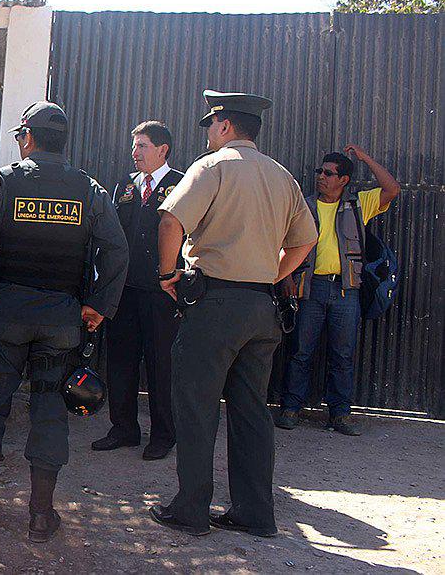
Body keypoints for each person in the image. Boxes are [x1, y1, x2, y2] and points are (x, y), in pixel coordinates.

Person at [0, 101, 129, 542]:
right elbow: (117, 250)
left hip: (4, 317)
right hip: (61, 322)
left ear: (27, 137)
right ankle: (42, 516)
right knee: (49, 415)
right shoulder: (89, 189)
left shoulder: (1, 181)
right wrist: (99, 305)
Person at [149, 90, 319, 538]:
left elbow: (170, 221)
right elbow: (306, 240)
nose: (207, 132)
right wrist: (270, 275)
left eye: (210, 124)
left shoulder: (213, 166)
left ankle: (191, 509)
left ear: (224, 126)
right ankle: (255, 513)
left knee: (197, 406)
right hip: (262, 308)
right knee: (251, 411)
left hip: (214, 305)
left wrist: (168, 275)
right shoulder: (282, 176)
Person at [276, 146, 400, 436]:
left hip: (346, 290)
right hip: (310, 288)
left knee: (342, 354)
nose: (321, 176)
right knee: (300, 352)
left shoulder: (359, 205)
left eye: (328, 173)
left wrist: (366, 159)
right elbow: (283, 244)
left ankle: (340, 415)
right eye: (320, 171)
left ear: (344, 180)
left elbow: (392, 189)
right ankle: (291, 408)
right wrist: (286, 279)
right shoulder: (303, 205)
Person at [93, 121, 184, 461]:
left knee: (162, 364)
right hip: (125, 289)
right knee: (121, 361)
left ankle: (163, 435)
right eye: (134, 146)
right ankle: (124, 427)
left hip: (163, 291)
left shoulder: (181, 183)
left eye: (142, 145)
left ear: (163, 150)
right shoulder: (125, 184)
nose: (135, 152)